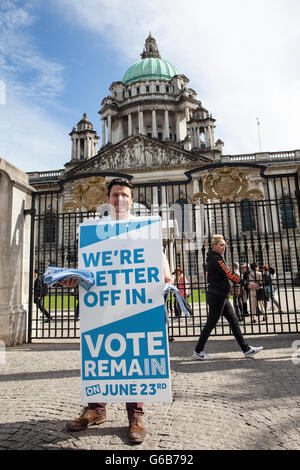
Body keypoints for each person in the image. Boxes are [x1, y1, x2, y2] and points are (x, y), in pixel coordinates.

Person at [65, 177, 173, 444]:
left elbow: (157, 255)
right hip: (103, 303)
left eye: (125, 195)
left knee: (134, 351)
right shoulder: (95, 228)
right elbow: (87, 267)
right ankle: (95, 409)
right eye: (115, 195)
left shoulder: (143, 228)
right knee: (100, 349)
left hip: (136, 303)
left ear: (132, 200)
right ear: (108, 199)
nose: (120, 199)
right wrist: (74, 277)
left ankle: (135, 415)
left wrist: (167, 275)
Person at [193, 235, 263, 360]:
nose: (223, 247)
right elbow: (228, 274)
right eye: (221, 245)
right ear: (214, 245)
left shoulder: (216, 257)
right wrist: (246, 283)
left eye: (224, 245)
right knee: (211, 323)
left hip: (221, 295)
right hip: (217, 295)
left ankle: (246, 349)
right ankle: (198, 350)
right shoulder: (216, 259)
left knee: (234, 321)